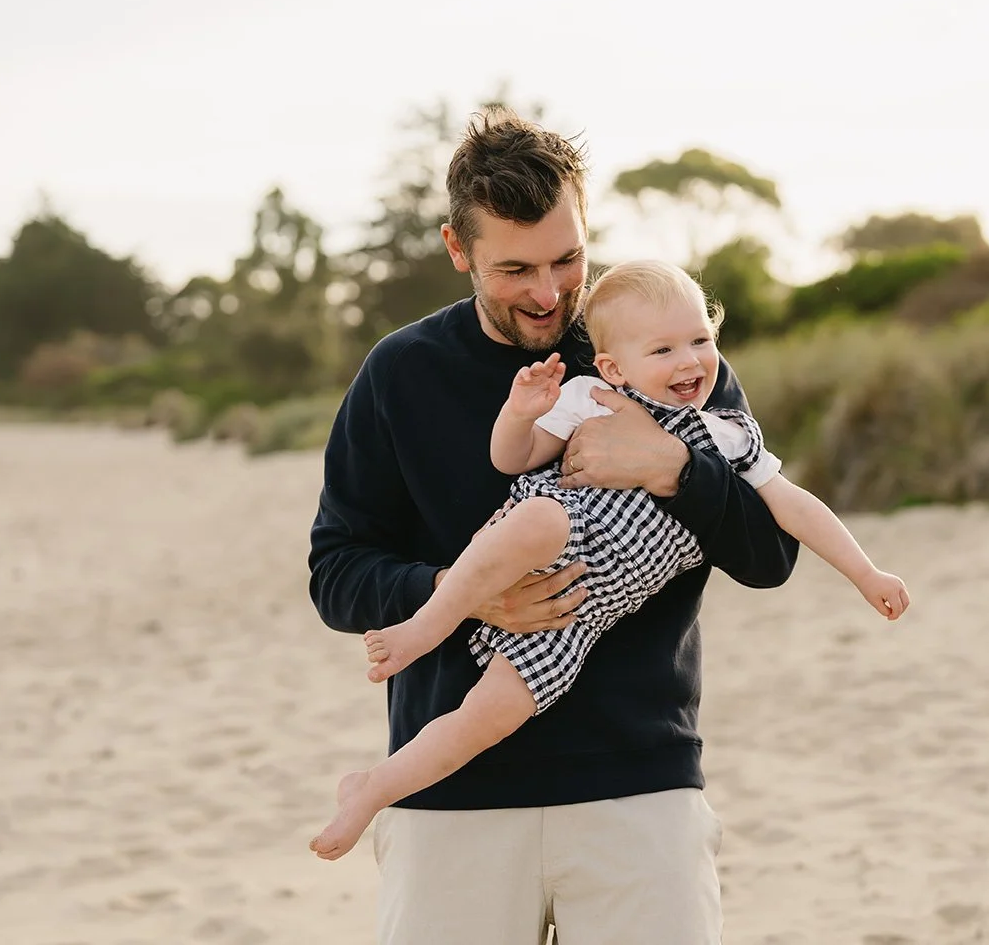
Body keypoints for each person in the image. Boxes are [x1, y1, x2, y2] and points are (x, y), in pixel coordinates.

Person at [307, 108, 799, 945]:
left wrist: (676, 470)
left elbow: (770, 555)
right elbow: (337, 570)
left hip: (639, 786)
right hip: (449, 793)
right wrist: (461, 595)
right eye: (514, 268)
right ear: (457, 249)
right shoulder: (400, 372)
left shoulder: (669, 355)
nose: (548, 292)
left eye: (568, 259)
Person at [309, 260, 910, 862]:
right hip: (545, 538)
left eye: (701, 340)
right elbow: (511, 459)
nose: (690, 362)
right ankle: (423, 627)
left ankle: (372, 788)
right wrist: (521, 412)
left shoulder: (727, 434)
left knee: (485, 717)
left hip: (580, 619)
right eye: (664, 349)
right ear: (614, 367)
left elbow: (792, 516)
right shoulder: (587, 398)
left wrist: (866, 573)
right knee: (542, 517)